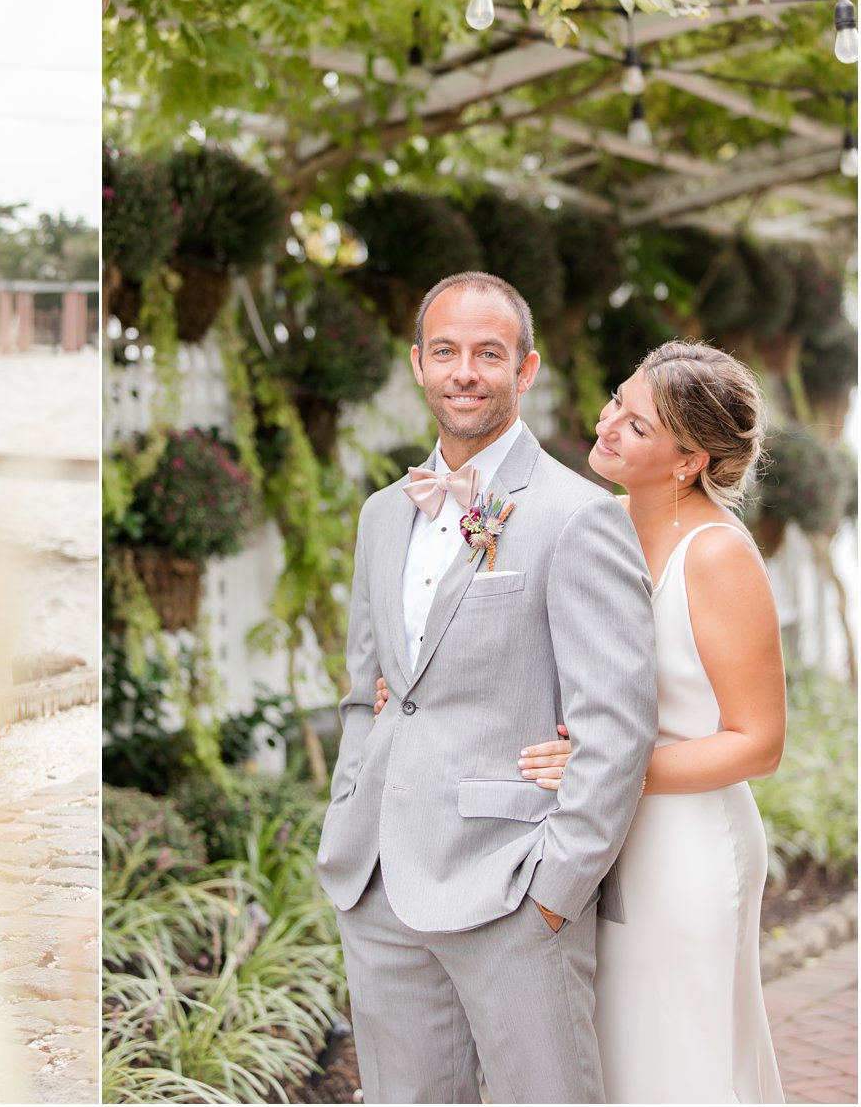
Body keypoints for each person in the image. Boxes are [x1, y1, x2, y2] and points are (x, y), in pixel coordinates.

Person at [315, 271, 659, 1103]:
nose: (464, 371)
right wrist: (353, 802)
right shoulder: (380, 515)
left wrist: (555, 892)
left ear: (526, 369)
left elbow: (616, 727)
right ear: (418, 364)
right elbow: (371, 685)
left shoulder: (580, 516)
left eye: (487, 353)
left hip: (511, 884)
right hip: (379, 883)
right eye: (446, 351)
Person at [501, 341, 785, 1102]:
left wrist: (610, 771)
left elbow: (758, 744)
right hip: (598, 833)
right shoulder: (592, 523)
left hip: (687, 842)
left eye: (637, 423)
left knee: (682, 1058)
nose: (608, 424)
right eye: (616, 401)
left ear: (690, 458)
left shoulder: (718, 556)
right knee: (614, 1056)